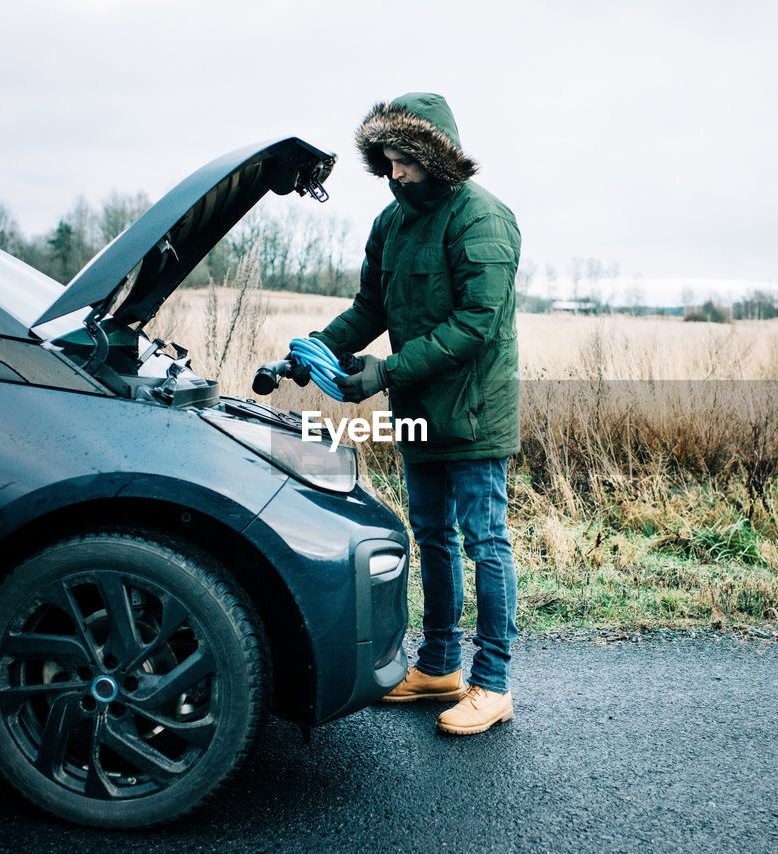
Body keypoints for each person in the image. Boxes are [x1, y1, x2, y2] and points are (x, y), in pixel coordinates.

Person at [312, 92, 521, 735]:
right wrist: (316, 350)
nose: (395, 172)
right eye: (388, 159)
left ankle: (492, 684)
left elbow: (475, 326)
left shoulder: (482, 218)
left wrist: (385, 373)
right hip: (420, 409)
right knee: (430, 537)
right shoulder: (391, 221)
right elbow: (370, 308)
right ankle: (438, 666)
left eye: (406, 158)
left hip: (475, 412)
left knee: (485, 541)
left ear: (438, 156)